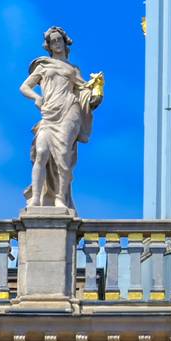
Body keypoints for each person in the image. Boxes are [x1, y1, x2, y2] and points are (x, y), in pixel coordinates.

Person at [19, 26, 103, 211]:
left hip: (69, 111)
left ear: (65, 43)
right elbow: (24, 87)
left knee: (63, 156)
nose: (57, 43)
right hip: (49, 113)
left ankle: (60, 199)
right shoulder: (43, 66)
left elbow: (84, 91)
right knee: (41, 152)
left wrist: (95, 94)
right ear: (48, 46)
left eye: (59, 40)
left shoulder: (73, 69)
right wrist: (37, 98)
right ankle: (36, 199)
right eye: (53, 41)